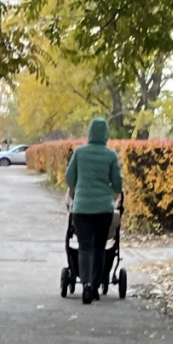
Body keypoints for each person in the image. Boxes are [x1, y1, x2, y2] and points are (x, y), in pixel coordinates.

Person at [65, 118, 123, 304]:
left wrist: (79, 189)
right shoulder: (111, 155)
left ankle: (86, 285)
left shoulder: (80, 153)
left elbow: (69, 177)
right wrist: (109, 191)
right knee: (99, 247)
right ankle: (96, 285)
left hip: (81, 208)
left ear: (90, 132)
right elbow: (118, 184)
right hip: (104, 209)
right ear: (105, 134)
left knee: (84, 247)